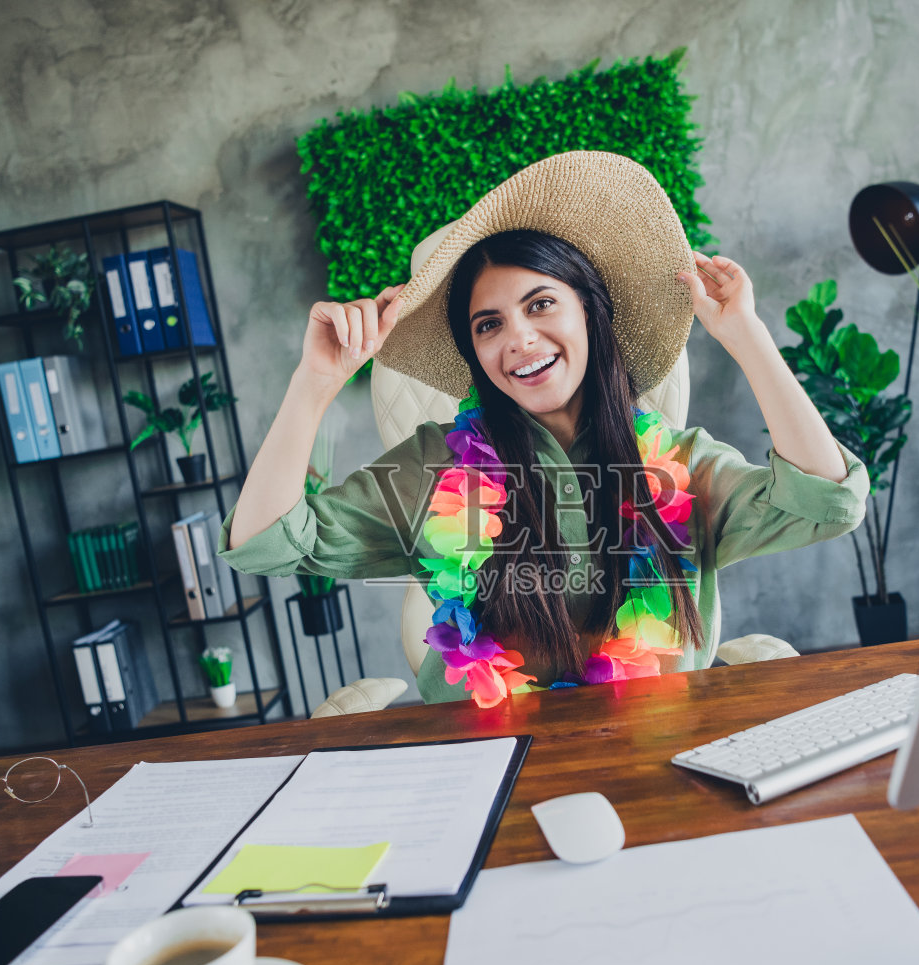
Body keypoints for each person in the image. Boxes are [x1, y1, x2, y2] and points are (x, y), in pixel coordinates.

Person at [220, 151, 868, 709]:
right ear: (475, 354)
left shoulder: (678, 463)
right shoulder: (431, 469)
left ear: (590, 310)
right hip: (485, 773)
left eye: (541, 303)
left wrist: (746, 337)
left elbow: (828, 502)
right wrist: (315, 383)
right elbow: (265, 543)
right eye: (489, 324)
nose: (520, 338)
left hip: (659, 766)